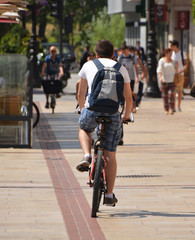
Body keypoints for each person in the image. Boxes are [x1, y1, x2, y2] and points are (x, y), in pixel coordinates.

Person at [76, 39, 133, 206]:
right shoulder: (121, 68)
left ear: (97, 54)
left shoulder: (89, 65)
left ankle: (87, 155)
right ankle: (109, 195)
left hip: (92, 110)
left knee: (84, 128)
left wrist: (82, 109)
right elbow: (129, 98)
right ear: (114, 54)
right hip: (113, 113)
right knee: (110, 154)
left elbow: (81, 93)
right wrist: (126, 115)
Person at [157, 48, 178, 115]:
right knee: (165, 96)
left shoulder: (174, 61)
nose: (170, 55)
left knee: (171, 95)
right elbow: (159, 70)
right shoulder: (162, 61)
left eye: (171, 54)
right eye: (169, 53)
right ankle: (166, 109)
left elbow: (176, 71)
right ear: (166, 53)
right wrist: (160, 78)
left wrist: (177, 67)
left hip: (172, 81)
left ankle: (172, 108)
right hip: (164, 81)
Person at [170, 40, 189, 112]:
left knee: (179, 90)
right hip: (173, 74)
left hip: (180, 74)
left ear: (175, 46)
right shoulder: (171, 54)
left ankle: (179, 105)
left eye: (172, 46)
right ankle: (173, 106)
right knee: (173, 91)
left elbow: (186, 64)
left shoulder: (182, 53)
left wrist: (182, 70)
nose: (171, 47)